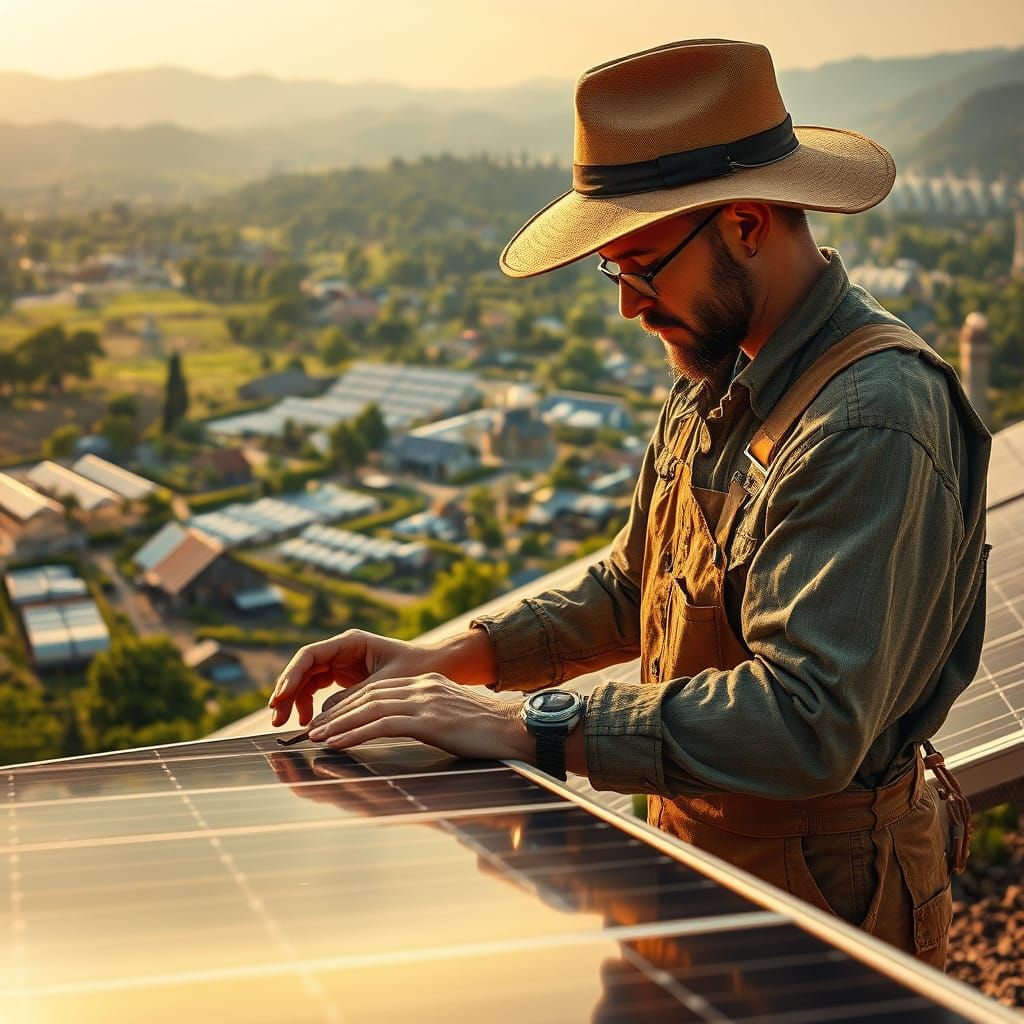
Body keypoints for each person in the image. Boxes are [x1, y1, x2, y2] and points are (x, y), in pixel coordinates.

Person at [268, 39, 991, 969]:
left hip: (823, 892)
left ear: (744, 223)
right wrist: (449, 659)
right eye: (616, 272)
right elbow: (635, 585)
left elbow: (807, 723)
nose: (629, 306)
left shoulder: (869, 422)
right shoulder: (721, 368)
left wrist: (528, 725)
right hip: (695, 850)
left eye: (643, 265)